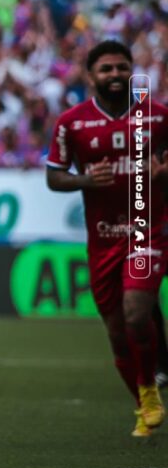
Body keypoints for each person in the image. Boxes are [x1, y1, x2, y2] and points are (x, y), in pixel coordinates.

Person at [46, 40, 168, 437]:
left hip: (145, 228)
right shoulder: (72, 123)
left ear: (132, 71)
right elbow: (54, 176)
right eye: (106, 69)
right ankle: (143, 400)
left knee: (136, 313)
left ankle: (153, 378)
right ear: (91, 76)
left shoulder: (158, 117)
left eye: (122, 67)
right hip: (102, 239)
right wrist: (84, 179)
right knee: (117, 334)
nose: (115, 74)